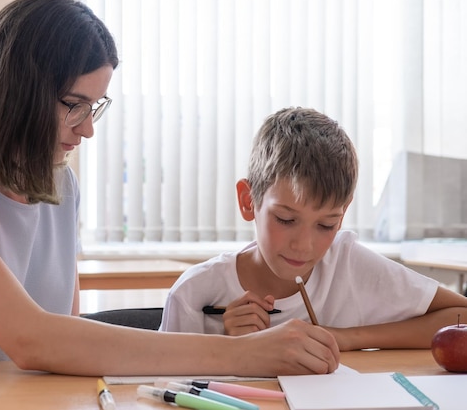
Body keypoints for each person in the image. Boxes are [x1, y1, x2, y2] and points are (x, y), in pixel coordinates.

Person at [0, 0, 340, 376]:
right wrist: (239, 353)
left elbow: (64, 338)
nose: (87, 128)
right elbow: (30, 338)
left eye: (95, 106)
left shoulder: (60, 186)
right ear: (18, 91)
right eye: (73, 105)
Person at [159, 107, 467, 351]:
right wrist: (229, 348)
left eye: (326, 224)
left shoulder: (348, 265)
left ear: (342, 219)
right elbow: (161, 385)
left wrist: (342, 338)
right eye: (286, 219)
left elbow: (461, 317)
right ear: (248, 202)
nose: (304, 245)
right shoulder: (195, 293)